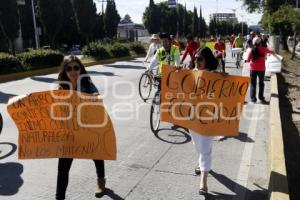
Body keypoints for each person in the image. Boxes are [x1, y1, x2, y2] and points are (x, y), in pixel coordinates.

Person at [56, 55, 106, 200]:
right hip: (69, 132)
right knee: (63, 168)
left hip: (88, 128)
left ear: (80, 69)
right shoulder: (61, 87)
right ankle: (59, 197)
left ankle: (101, 181)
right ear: (64, 71)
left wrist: (95, 97)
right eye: (69, 68)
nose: (73, 71)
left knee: (97, 155)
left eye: (76, 67)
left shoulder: (86, 83)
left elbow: (96, 95)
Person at [191, 47, 220, 195]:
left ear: (207, 60)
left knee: (205, 148)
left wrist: (223, 77)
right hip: (192, 118)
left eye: (200, 59)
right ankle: (202, 164)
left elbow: (228, 93)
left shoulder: (215, 76)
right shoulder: (191, 73)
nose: (196, 61)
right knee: (198, 144)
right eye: (195, 58)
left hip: (209, 118)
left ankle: (203, 181)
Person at [246, 37, 274, 103]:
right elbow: (271, 52)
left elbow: (247, 60)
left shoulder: (251, 50)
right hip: (261, 69)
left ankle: (253, 99)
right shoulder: (264, 49)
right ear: (260, 43)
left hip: (253, 69)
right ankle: (261, 98)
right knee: (261, 83)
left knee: (253, 84)